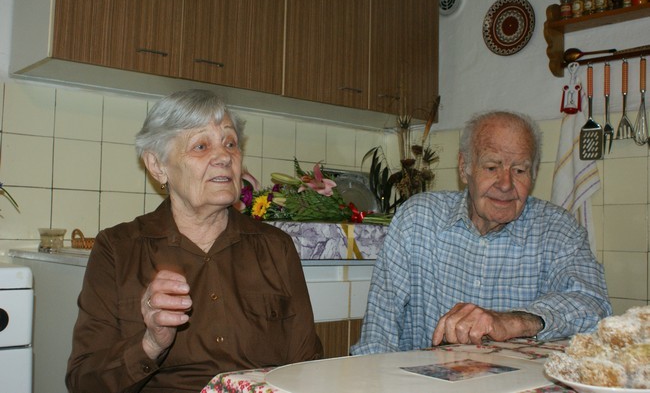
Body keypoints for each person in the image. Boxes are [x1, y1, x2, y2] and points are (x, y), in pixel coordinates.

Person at [66, 89, 323, 392]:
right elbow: (84, 382)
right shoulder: (118, 249)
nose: (224, 157)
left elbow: (307, 367)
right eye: (201, 146)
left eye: (230, 143)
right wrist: (151, 343)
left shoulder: (275, 247)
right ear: (157, 165)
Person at [351, 110, 612, 355]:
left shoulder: (558, 229)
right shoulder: (418, 219)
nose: (506, 184)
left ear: (533, 175)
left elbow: (594, 306)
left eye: (519, 170)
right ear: (464, 168)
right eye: (491, 167)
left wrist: (514, 322)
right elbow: (379, 330)